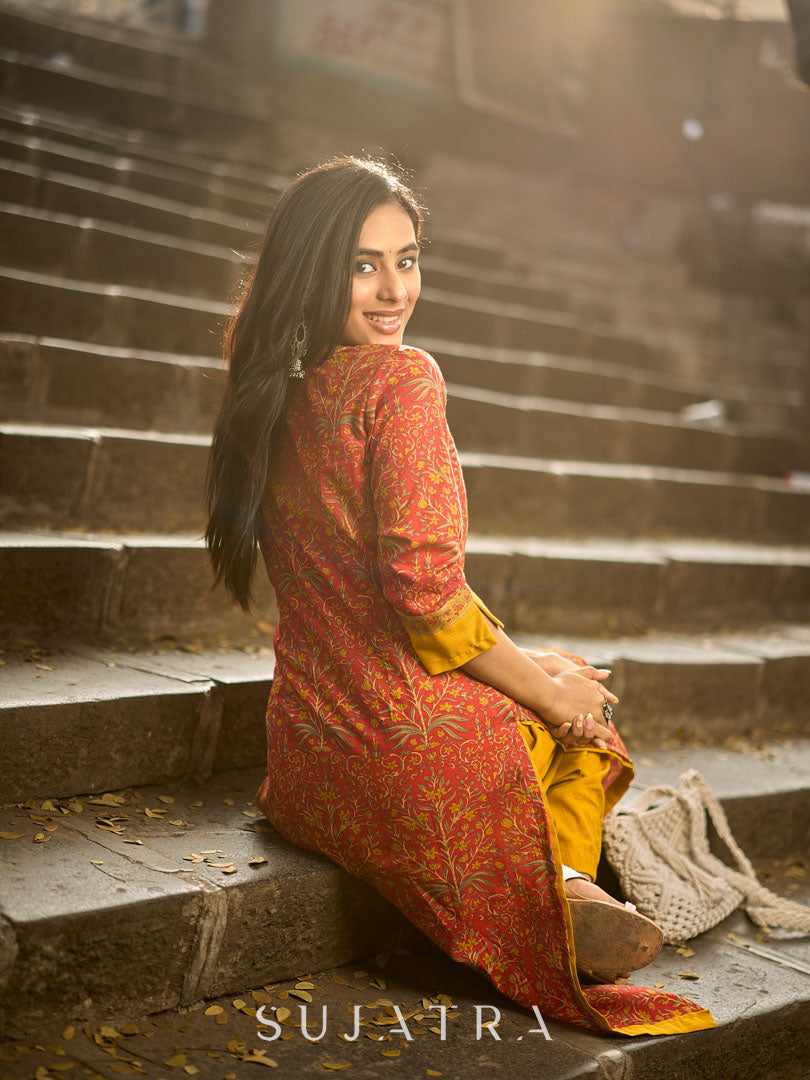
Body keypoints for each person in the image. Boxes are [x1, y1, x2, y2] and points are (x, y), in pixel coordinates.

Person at [205, 156, 715, 1036]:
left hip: (305, 760)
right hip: (400, 755)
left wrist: (541, 672)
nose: (393, 288)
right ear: (313, 265)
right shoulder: (403, 381)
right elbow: (426, 590)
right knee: (587, 725)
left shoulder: (271, 392)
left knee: (551, 674)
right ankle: (556, 895)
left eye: (406, 259)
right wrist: (556, 693)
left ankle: (527, 893)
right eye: (363, 263)